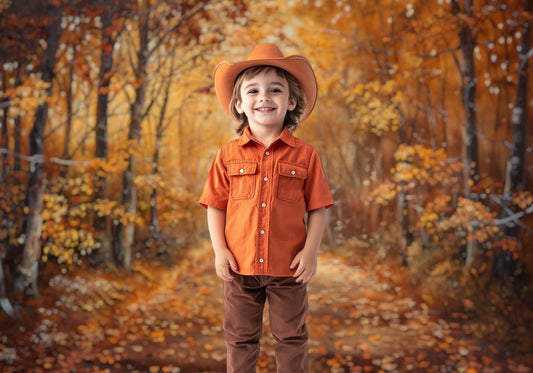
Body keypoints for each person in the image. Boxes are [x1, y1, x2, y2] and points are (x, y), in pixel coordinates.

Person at [199, 43, 334, 373]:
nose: (264, 97)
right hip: (239, 267)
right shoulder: (227, 156)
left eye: (275, 90)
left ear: (290, 102)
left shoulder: (306, 155)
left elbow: (318, 207)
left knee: (291, 337)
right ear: (240, 104)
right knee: (240, 337)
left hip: (288, 268)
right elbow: (214, 206)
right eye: (253, 91)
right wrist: (220, 251)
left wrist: (311, 252)